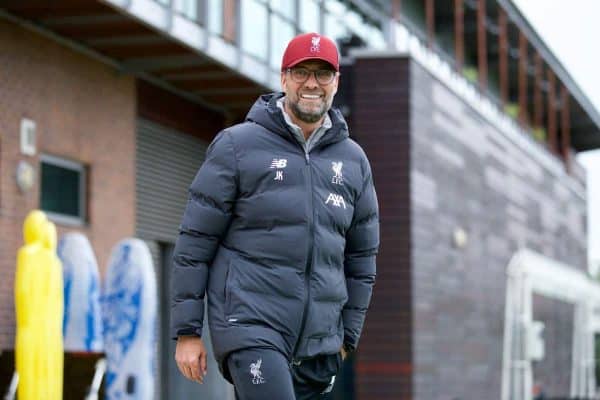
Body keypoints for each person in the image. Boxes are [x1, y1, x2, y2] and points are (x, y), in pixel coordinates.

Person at [171, 32, 379, 399]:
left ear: (336, 83)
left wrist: (347, 336)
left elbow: (362, 258)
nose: (312, 83)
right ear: (284, 79)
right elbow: (195, 242)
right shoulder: (237, 145)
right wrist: (187, 332)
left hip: (318, 343)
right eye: (301, 72)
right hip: (251, 326)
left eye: (323, 73)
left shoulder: (353, 161)